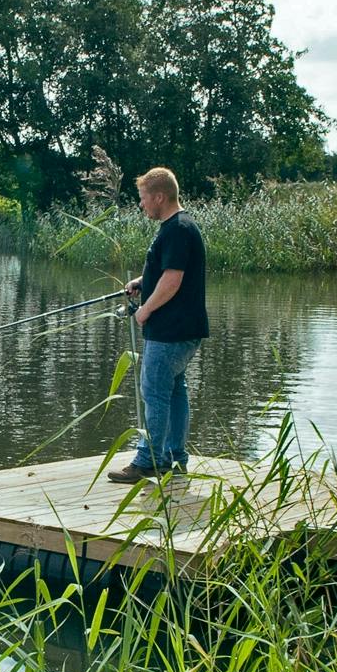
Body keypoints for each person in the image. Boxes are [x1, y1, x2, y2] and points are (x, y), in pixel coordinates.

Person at [108, 167, 208, 484]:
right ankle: (174, 460)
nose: (141, 205)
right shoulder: (180, 226)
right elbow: (168, 272)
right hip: (183, 330)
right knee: (174, 392)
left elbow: (173, 280)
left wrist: (144, 311)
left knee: (154, 393)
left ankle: (147, 460)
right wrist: (142, 282)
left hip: (170, 332)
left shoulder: (177, 229)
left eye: (143, 199)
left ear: (159, 197)